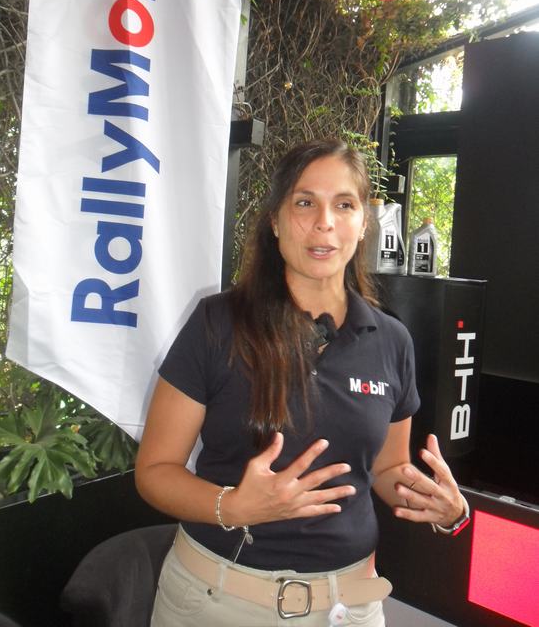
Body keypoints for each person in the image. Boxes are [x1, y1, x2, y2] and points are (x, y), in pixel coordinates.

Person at [135, 138, 468, 627]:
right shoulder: (217, 324)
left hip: (349, 607)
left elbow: (386, 468)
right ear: (275, 219)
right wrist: (235, 506)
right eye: (305, 203)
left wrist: (440, 506)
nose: (324, 222)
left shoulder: (392, 340)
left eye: (344, 205)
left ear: (363, 223)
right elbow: (154, 471)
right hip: (217, 601)